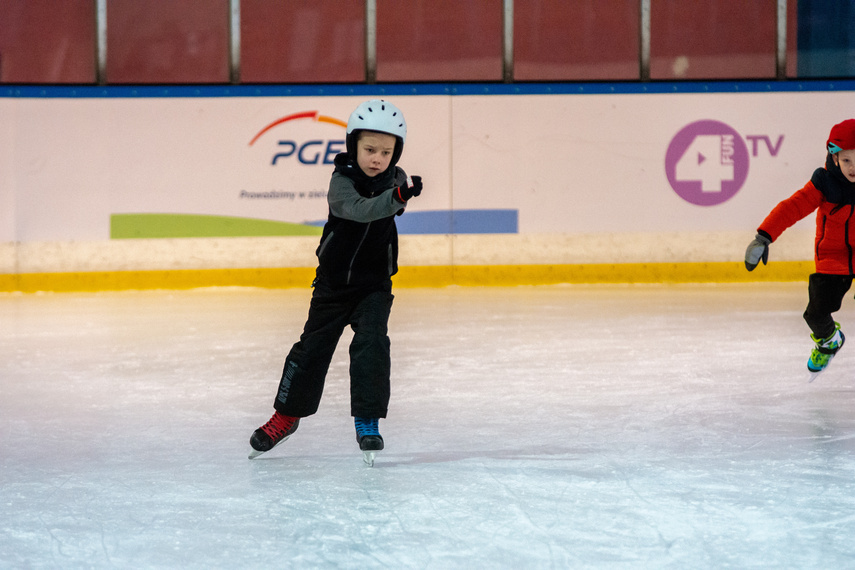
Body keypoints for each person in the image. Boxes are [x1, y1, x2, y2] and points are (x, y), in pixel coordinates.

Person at [249, 99, 423, 461]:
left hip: (374, 285)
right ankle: (286, 417)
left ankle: (368, 421)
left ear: (397, 153)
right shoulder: (340, 182)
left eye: (386, 151)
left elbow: (393, 199)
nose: (377, 158)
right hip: (332, 286)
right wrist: (397, 196)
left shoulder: (397, 180)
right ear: (353, 146)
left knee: (372, 345)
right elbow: (361, 210)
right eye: (369, 149)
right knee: (311, 350)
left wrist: (398, 192)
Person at [745, 119, 855, 374]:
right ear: (834, 157)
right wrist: (764, 235)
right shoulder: (824, 183)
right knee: (815, 315)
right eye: (847, 160)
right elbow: (793, 207)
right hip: (832, 259)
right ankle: (829, 342)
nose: (853, 168)